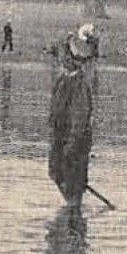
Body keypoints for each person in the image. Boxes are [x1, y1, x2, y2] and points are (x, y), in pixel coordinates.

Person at [48, 23, 99, 206]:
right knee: (55, 172)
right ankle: (70, 213)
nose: (60, 61)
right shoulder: (62, 81)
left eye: (63, 57)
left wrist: (72, 143)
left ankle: (73, 210)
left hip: (74, 141)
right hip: (60, 137)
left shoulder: (79, 84)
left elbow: (80, 117)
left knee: (72, 181)